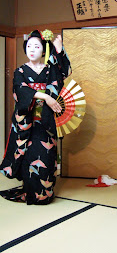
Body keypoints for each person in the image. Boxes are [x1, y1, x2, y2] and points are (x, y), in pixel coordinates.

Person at [0, 30, 71, 205]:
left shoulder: (49, 70)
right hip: (27, 119)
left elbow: (64, 73)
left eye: (37, 46)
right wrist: (45, 96)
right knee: (30, 156)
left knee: (46, 156)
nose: (32, 49)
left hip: (46, 119)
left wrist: (59, 50)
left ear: (43, 50)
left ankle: (45, 193)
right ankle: (31, 193)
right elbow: (20, 90)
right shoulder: (20, 71)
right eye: (29, 46)